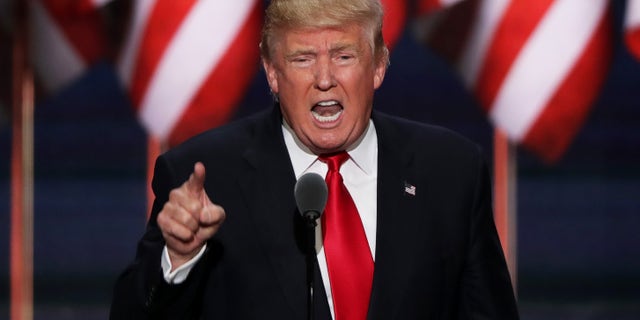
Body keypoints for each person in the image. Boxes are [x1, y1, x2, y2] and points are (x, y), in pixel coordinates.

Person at [110, 0, 519, 319]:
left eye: (344, 56)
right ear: (272, 73)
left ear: (378, 65)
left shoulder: (449, 172)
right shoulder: (206, 177)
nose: (324, 78)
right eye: (302, 59)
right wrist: (177, 259)